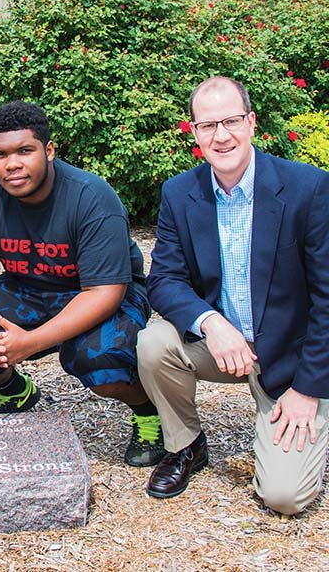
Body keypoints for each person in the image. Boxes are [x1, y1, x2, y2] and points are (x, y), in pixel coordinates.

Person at [138, 76, 329, 514]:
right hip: (224, 347)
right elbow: (164, 280)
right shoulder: (179, 193)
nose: (221, 136)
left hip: (291, 360)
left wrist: (308, 389)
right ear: (194, 132)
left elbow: (327, 298)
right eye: (208, 125)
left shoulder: (309, 189)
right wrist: (212, 323)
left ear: (252, 122)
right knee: (152, 344)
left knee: (285, 498)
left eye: (231, 121)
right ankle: (186, 445)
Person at [0, 101, 164, 467]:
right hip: (30, 287)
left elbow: (104, 293)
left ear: (48, 150)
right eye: (1, 154)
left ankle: (147, 410)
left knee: (96, 358)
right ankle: (14, 392)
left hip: (101, 292)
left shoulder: (91, 198)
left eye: (24, 151)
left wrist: (28, 344)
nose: (12, 164)